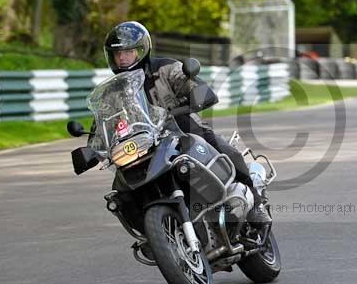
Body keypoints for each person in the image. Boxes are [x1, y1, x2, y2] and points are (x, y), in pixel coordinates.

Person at [98, 21, 272, 229]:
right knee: (121, 192)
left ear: (141, 50)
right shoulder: (112, 92)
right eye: (118, 54)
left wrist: (197, 96)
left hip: (183, 130)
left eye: (128, 52)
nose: (122, 58)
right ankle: (152, 233)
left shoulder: (164, 68)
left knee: (222, 148)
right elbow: (103, 124)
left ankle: (256, 203)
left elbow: (192, 85)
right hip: (142, 148)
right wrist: (91, 149)